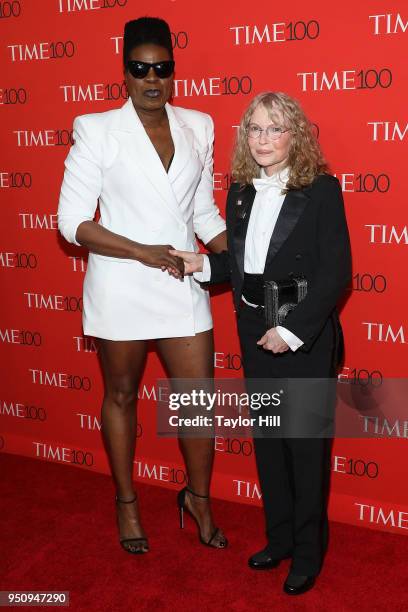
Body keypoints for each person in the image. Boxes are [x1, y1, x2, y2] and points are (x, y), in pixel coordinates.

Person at [57, 17, 228, 554]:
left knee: (198, 400)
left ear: (174, 71)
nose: (152, 79)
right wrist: (142, 251)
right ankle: (127, 502)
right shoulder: (97, 128)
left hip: (180, 283)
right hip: (123, 284)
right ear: (125, 72)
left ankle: (198, 498)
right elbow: (72, 222)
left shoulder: (199, 125)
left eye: (162, 68)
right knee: (123, 395)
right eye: (140, 68)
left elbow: (202, 211)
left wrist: (240, 262)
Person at [171, 91, 351, 594]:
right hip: (254, 333)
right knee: (270, 445)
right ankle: (281, 539)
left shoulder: (321, 190)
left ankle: (310, 554)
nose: (264, 138)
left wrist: (291, 332)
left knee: (305, 449)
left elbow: (337, 272)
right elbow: (243, 267)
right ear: (244, 137)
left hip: (303, 338)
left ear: (295, 134)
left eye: (275, 128)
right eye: (255, 128)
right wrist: (202, 264)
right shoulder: (241, 192)